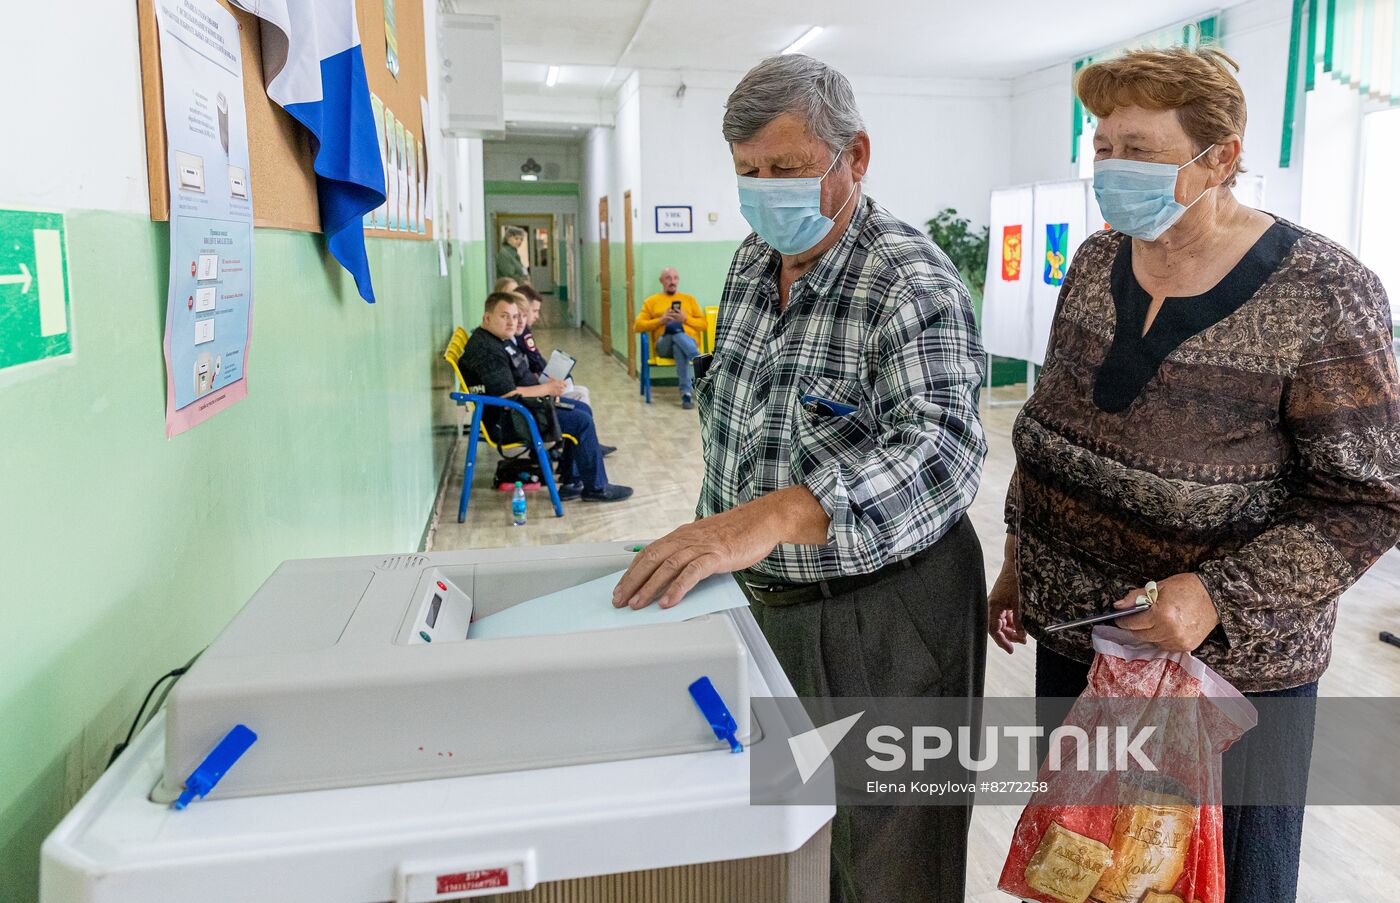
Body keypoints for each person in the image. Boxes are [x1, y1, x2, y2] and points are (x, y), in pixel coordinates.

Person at [985, 47, 1400, 903]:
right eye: (1102, 148)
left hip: (1226, 678)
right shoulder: (1099, 263)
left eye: (1137, 148)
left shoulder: (1325, 291)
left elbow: (1367, 499)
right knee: (1084, 872)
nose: (1110, 169)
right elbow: (1054, 430)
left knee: (1210, 882)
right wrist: (1021, 558)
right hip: (1082, 644)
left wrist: (1215, 593)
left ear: (1220, 157)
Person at [612, 55, 988, 902]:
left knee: (888, 859)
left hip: (889, 614)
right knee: (792, 838)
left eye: (788, 168)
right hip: (769, 607)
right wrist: (708, 549)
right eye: (749, 173)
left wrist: (781, 514)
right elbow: (739, 425)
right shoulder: (752, 262)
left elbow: (942, 451)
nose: (766, 189)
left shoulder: (910, 280)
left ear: (854, 157)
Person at [458, 293, 632, 503]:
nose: (512, 322)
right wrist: (547, 390)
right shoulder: (487, 351)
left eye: (514, 316)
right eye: (504, 316)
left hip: (522, 409)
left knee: (582, 410)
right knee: (582, 421)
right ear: (487, 318)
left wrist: (546, 392)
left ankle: (572, 479)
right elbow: (508, 394)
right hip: (512, 420)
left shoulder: (497, 340)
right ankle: (596, 488)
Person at [633, 268, 706, 408]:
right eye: (668, 278)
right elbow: (637, 326)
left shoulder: (689, 299)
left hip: (684, 345)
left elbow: (703, 324)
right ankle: (700, 363)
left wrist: (685, 319)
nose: (672, 282)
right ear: (661, 281)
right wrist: (661, 320)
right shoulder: (651, 301)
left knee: (678, 344)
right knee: (675, 333)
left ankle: (686, 395)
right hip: (663, 346)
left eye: (675, 278)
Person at [515, 284, 594, 408]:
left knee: (578, 388)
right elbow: (535, 360)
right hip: (535, 393)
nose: (537, 316)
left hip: (535, 387)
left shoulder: (518, 334)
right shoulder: (522, 333)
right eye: (534, 311)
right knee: (581, 395)